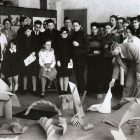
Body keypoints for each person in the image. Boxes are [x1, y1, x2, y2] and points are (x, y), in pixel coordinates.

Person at [110, 42, 140, 110]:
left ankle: (137, 106)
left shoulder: (130, 47)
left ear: (118, 48)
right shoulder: (117, 54)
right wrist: (113, 80)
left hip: (139, 62)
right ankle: (123, 104)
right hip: (133, 65)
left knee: (139, 84)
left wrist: (138, 74)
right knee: (128, 84)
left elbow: (139, 59)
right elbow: (116, 67)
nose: (112, 54)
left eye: (113, 52)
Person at [71, 20, 89, 95]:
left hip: (81, 57)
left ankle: (83, 90)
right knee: (77, 74)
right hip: (75, 57)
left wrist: (79, 45)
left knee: (80, 74)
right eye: (74, 26)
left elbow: (88, 46)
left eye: (76, 26)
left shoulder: (84, 34)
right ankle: (80, 89)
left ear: (80, 26)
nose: (75, 27)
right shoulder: (73, 34)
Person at [19, 25, 38, 94]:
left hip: (33, 58)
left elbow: (37, 48)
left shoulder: (35, 38)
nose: (27, 33)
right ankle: (24, 89)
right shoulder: (22, 39)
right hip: (25, 59)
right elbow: (20, 49)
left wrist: (34, 52)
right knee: (25, 74)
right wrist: (24, 58)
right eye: (25, 32)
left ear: (31, 31)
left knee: (33, 74)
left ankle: (34, 89)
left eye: (28, 31)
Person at [87, 22, 103, 94]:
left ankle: (97, 90)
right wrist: (93, 51)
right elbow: (87, 48)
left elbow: (102, 49)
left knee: (98, 74)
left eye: (95, 29)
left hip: (98, 59)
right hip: (90, 58)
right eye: (92, 29)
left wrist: (96, 52)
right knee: (90, 74)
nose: (94, 30)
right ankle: (90, 90)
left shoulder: (101, 37)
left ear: (98, 29)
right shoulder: (89, 37)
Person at [56, 27, 73, 94]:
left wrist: (71, 59)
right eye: (63, 33)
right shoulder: (58, 41)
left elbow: (71, 51)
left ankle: (65, 90)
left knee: (66, 75)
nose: (65, 34)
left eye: (66, 33)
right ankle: (61, 90)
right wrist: (57, 60)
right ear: (61, 34)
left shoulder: (69, 41)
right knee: (61, 75)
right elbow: (56, 52)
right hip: (60, 60)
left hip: (67, 60)